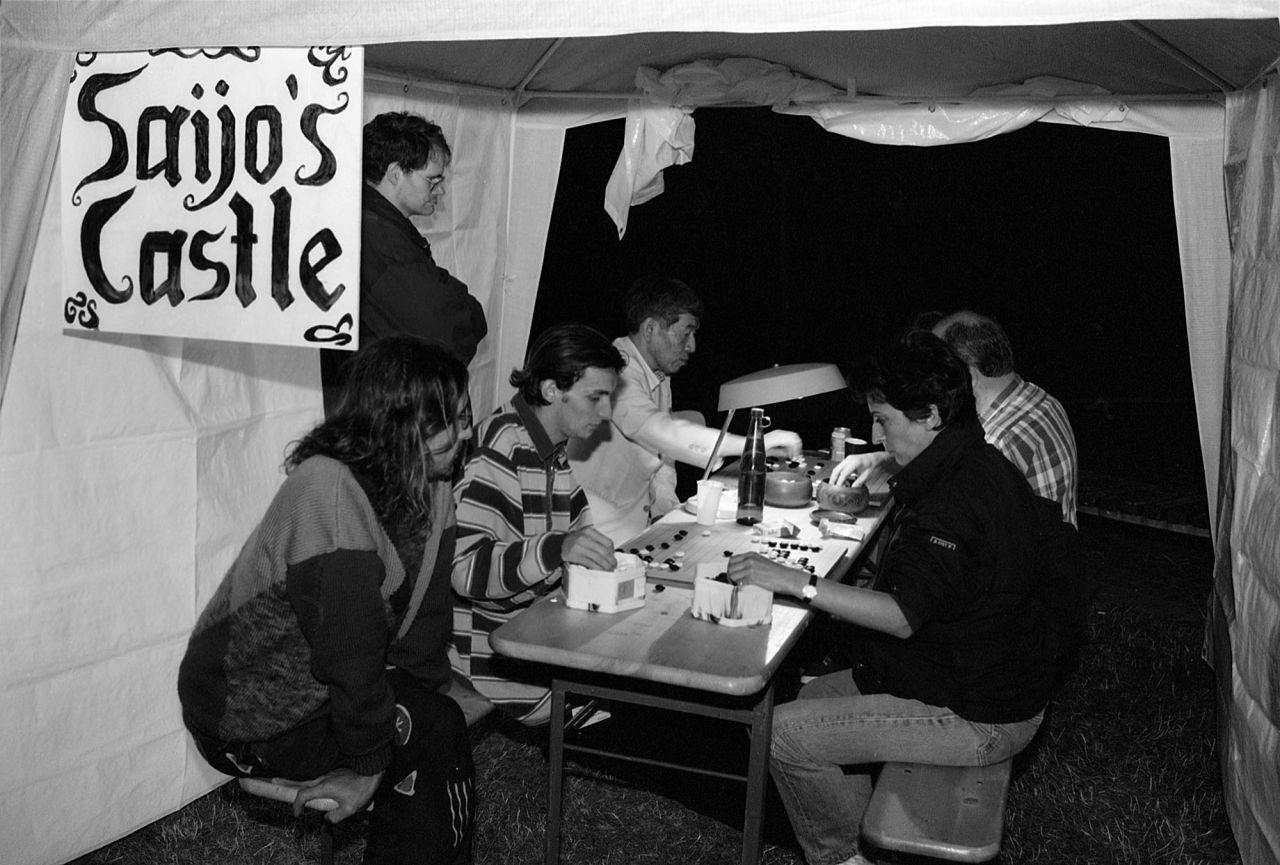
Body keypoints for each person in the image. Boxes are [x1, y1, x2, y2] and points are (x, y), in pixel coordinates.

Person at [728, 330, 1058, 865]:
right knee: (810, 702)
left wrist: (798, 583)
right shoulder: (971, 460)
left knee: (780, 734)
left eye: (884, 420)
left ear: (929, 415)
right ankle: (865, 839)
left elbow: (901, 617)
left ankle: (842, 857)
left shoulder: (954, 501)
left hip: (983, 714)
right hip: (974, 673)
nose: (873, 431)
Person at [178, 336, 477, 865]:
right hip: (249, 714)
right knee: (435, 733)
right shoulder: (328, 491)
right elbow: (349, 646)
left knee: (435, 725)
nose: (467, 433)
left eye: (465, 415)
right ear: (402, 422)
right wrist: (370, 761)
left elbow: (424, 626)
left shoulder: (434, 489)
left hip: (323, 692)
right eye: (450, 420)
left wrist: (424, 699)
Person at [450, 323, 624, 725]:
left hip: (540, 641)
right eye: (595, 397)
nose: (607, 412)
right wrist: (555, 549)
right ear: (550, 390)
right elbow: (465, 573)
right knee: (648, 722)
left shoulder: (549, 451)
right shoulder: (498, 449)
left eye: (609, 397)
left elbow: (580, 540)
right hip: (500, 662)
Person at [569, 275, 803, 545]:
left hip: (637, 527)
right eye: (686, 332)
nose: (692, 346)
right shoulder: (616, 371)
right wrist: (754, 443)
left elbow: (662, 459)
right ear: (650, 329)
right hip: (598, 533)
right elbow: (663, 432)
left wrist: (667, 514)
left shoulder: (658, 374)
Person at [832, 309, 1078, 524]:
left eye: (935, 365)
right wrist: (883, 459)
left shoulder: (991, 444)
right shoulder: (1040, 400)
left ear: (965, 376)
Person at [321, 112, 488, 414]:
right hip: (387, 412)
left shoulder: (371, 224)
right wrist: (467, 307)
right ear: (396, 173)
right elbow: (446, 332)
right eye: (432, 179)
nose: (440, 190)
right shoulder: (376, 235)